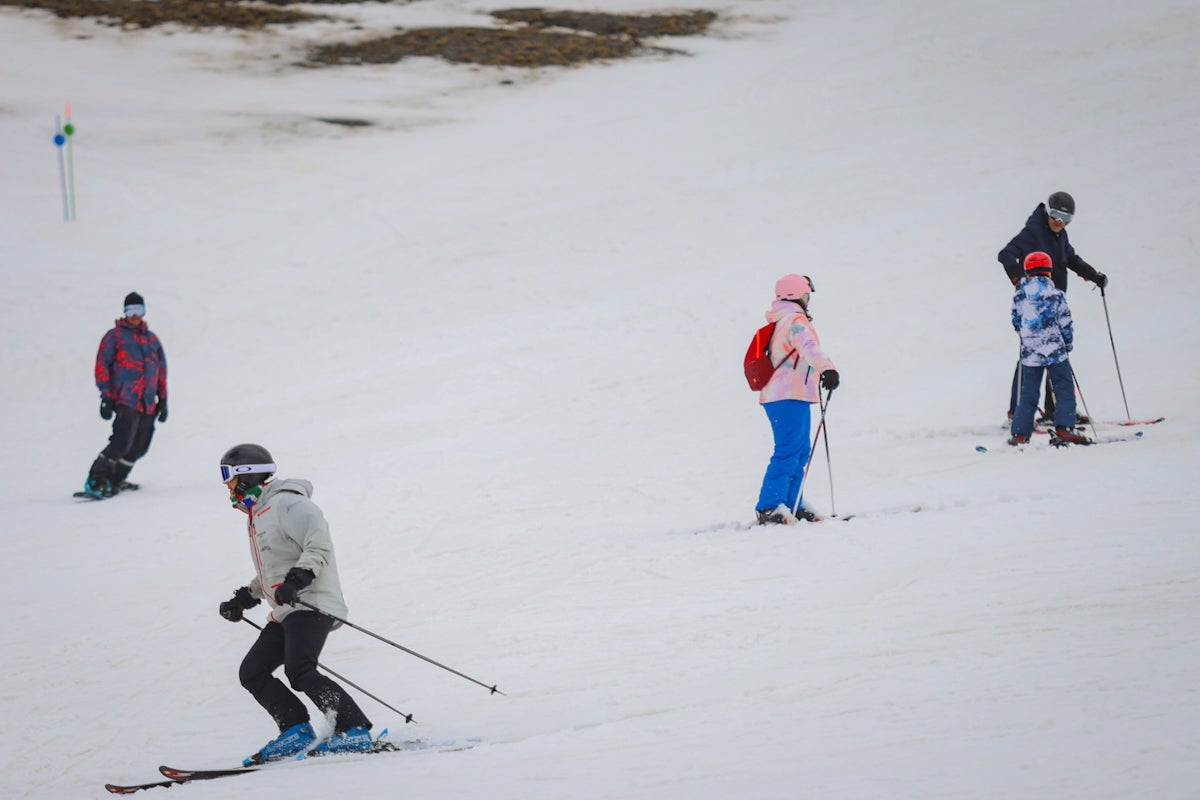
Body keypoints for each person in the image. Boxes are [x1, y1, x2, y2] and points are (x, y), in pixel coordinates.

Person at [216, 443, 374, 765]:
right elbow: (272, 569)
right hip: (288, 608)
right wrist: (244, 598)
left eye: (230, 479)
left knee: (299, 670)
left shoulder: (288, 504)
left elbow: (319, 543)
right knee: (252, 671)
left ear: (248, 475)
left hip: (312, 601)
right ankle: (295, 730)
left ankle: (354, 728)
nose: (228, 487)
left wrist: (298, 581)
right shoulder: (259, 514)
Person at [997, 192, 1107, 422]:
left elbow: (1072, 259)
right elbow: (1006, 254)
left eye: (1066, 219)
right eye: (1056, 215)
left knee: (1055, 356)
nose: (1060, 222)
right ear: (1047, 211)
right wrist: (1019, 280)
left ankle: (1054, 410)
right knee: (1030, 356)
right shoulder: (1033, 232)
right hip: (1034, 306)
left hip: (1054, 304)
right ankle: (1016, 411)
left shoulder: (1060, 236)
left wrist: (1093, 275)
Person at [754, 274, 839, 524]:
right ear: (796, 295)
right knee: (789, 450)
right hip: (786, 394)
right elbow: (809, 348)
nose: (808, 299)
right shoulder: (794, 321)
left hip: (790, 394)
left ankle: (791, 502)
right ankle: (770, 506)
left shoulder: (783, 320)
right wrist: (827, 369)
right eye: (806, 295)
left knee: (800, 450)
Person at [83, 292, 168, 498]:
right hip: (125, 399)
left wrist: (163, 399)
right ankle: (97, 479)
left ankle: (116, 479)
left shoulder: (151, 339)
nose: (135, 315)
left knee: (140, 446)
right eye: (131, 310)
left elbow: (161, 371)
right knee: (121, 442)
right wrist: (106, 396)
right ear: (124, 312)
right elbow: (102, 365)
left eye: (139, 310)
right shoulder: (115, 336)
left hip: (148, 402)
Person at [1008, 252, 1089, 446]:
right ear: (1049, 272)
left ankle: (1020, 433)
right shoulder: (1056, 295)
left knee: (1029, 392)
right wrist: (1067, 343)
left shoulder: (1019, 296)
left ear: (1027, 272)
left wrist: (1027, 338)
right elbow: (1065, 322)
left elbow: (1016, 321)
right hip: (1055, 350)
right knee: (1063, 388)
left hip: (1031, 353)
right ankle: (1065, 428)